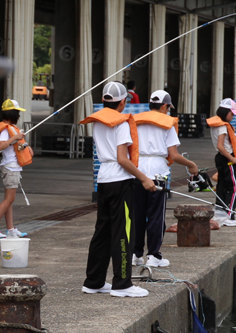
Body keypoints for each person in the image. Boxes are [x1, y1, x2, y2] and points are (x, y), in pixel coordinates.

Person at [80, 81, 154, 298]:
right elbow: (122, 159)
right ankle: (122, 284)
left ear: (104, 100)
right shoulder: (120, 124)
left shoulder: (99, 121)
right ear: (123, 102)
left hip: (103, 179)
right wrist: (144, 178)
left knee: (102, 232)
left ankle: (93, 281)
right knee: (124, 232)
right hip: (120, 181)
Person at [132, 90, 198, 267]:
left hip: (137, 169)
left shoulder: (136, 121)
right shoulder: (167, 124)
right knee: (156, 215)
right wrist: (191, 165)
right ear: (164, 106)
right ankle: (153, 255)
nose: (168, 111)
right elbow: (174, 155)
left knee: (137, 214)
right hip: (158, 171)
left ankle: (136, 254)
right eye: (168, 107)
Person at [0, 99, 34, 239]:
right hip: (10, 168)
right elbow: (0, 147)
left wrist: (25, 145)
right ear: (13, 114)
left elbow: (18, 145)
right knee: (9, 199)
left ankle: (10, 229)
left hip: (13, 168)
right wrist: (15, 137)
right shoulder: (6, 131)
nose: (19, 116)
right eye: (17, 113)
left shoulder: (12, 130)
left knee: (9, 200)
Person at [207, 98, 236, 227]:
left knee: (222, 185)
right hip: (227, 158)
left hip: (221, 158)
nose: (233, 116)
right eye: (231, 113)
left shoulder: (217, 124)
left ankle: (220, 213)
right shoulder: (222, 126)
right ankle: (229, 215)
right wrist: (232, 158)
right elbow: (221, 146)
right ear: (225, 112)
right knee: (234, 187)